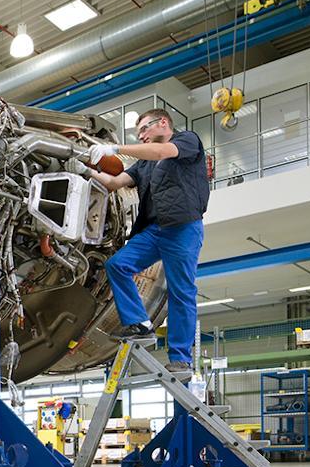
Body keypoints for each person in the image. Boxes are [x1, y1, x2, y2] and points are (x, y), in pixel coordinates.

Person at [65, 108, 209, 374]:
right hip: (154, 231)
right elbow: (114, 182)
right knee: (117, 265)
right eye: (138, 132)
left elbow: (161, 152)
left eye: (144, 129)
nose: (141, 136)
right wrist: (84, 169)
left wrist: (115, 149)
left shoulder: (187, 140)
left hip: (183, 228)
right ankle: (140, 324)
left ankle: (180, 358)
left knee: (181, 292)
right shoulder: (144, 164)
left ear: (163, 123)